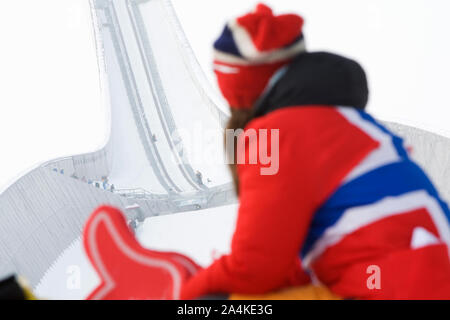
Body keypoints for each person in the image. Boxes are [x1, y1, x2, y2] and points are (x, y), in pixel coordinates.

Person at [179, 3, 450, 299]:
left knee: (220, 302)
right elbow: (287, 265)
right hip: (420, 277)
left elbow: (255, 268)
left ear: (236, 86)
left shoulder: (277, 134)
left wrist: (185, 294)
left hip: (391, 288)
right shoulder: (348, 123)